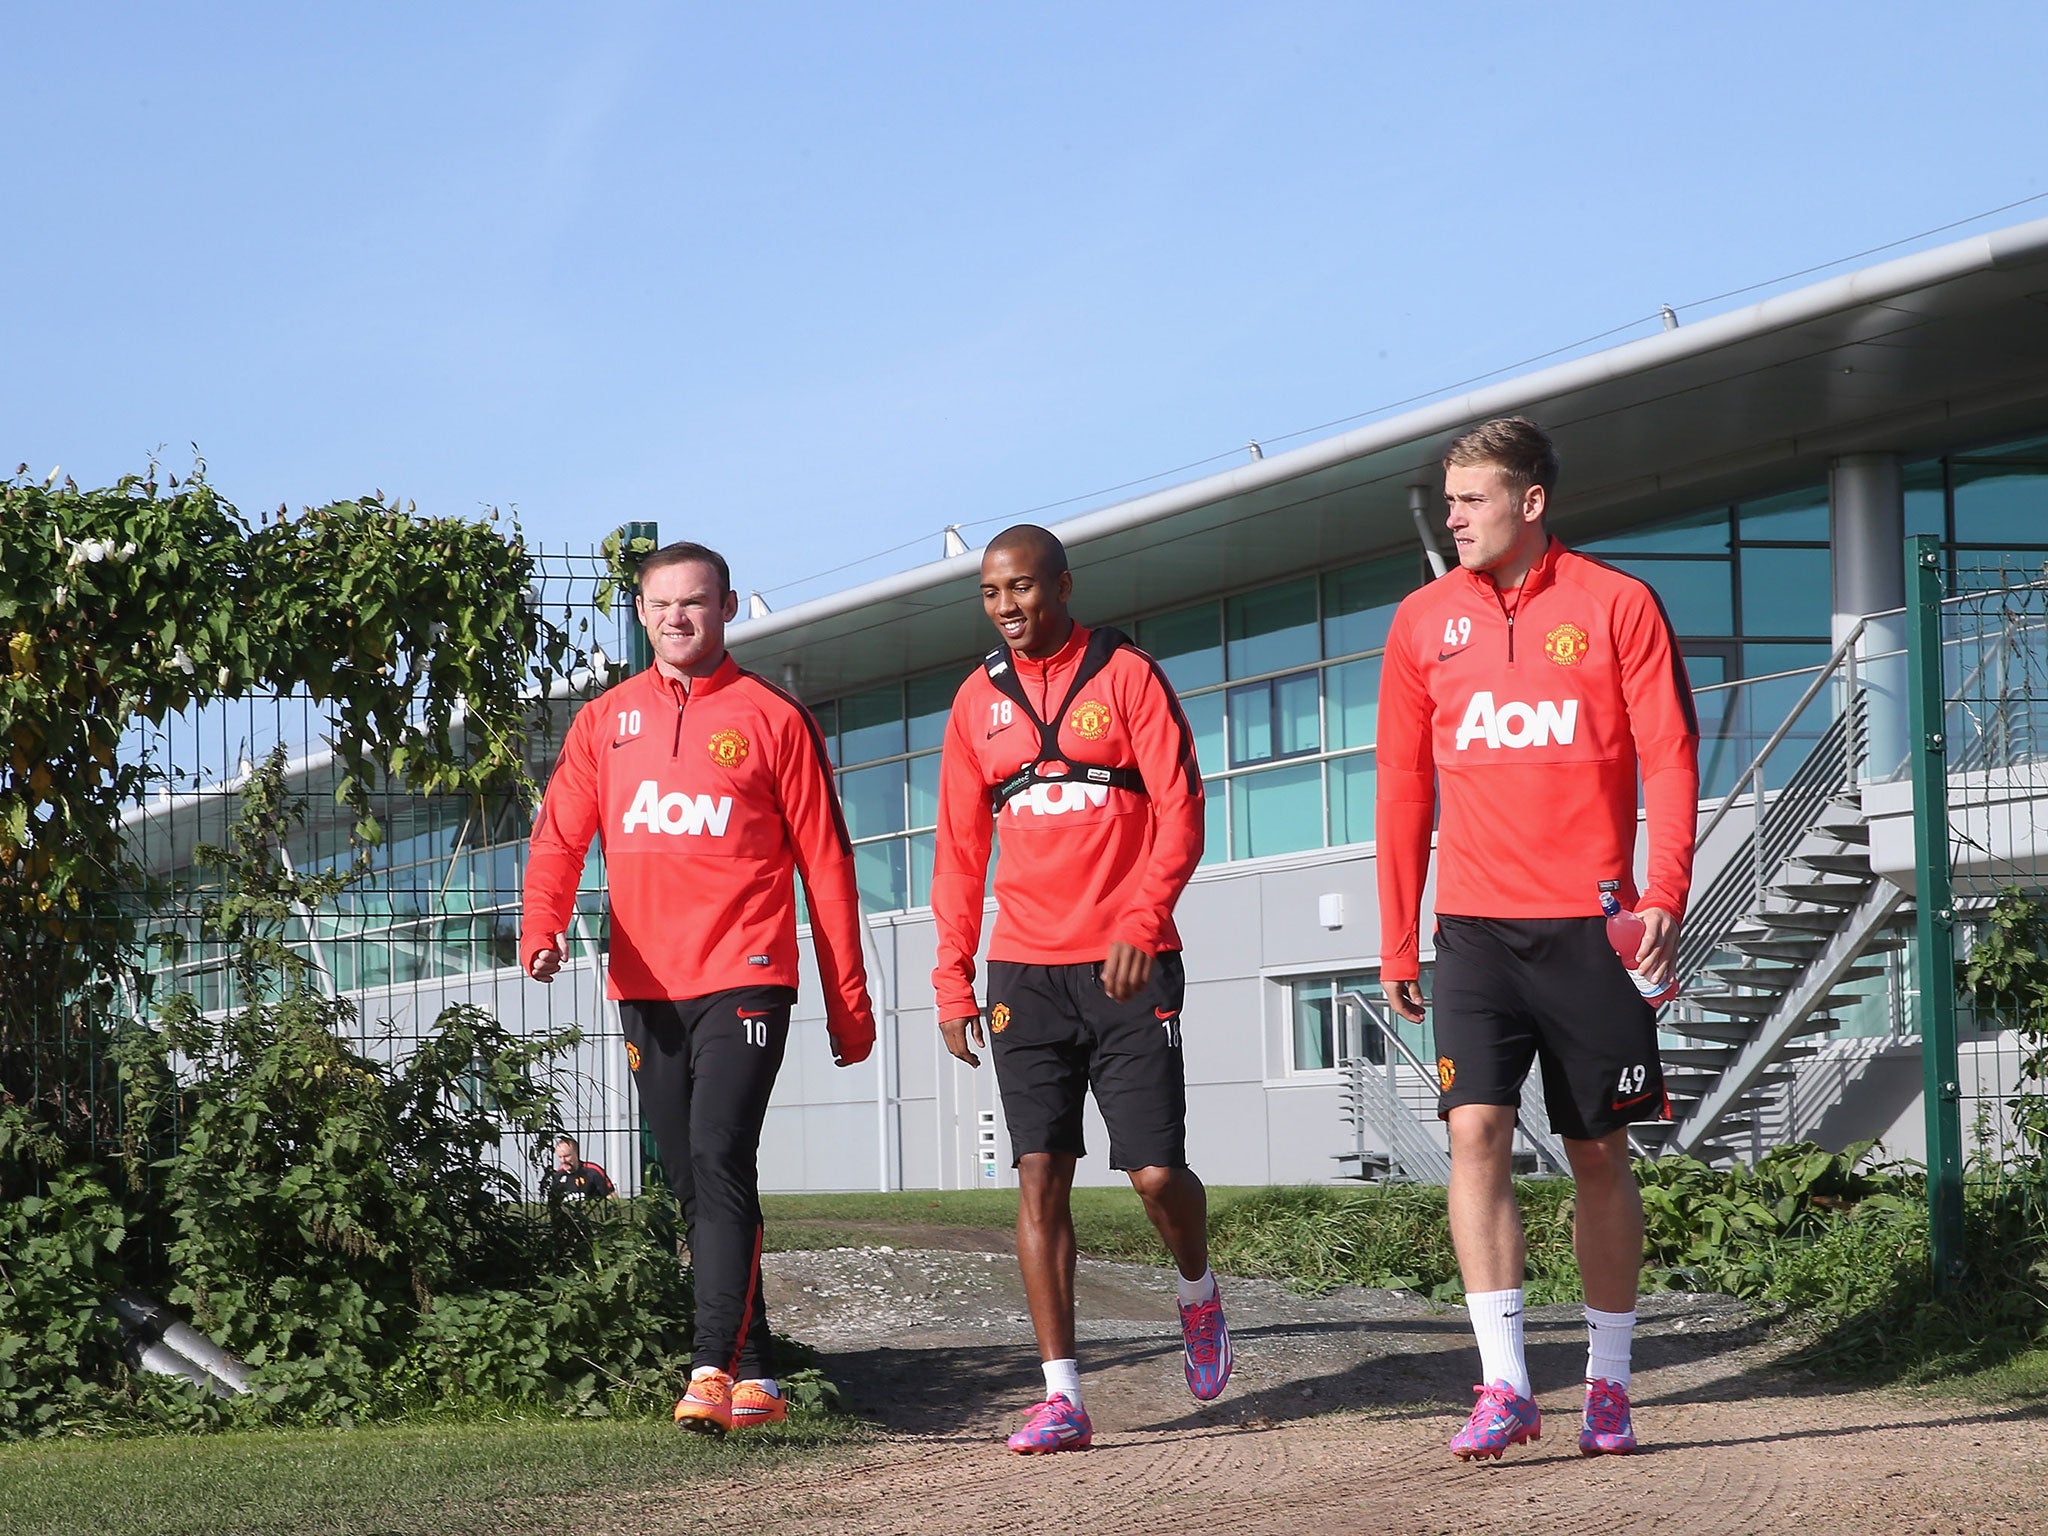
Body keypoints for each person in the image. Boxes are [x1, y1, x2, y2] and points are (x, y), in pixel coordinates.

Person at [1375, 417, 1699, 1460]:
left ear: (1530, 501)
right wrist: (1395, 938)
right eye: (1448, 497)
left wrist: (1662, 897)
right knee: (1472, 1132)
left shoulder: (1614, 605)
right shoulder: (1421, 622)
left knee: (1594, 1151)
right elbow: (1399, 792)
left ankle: (1606, 1383)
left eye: (1472, 498)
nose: (1453, 515)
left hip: (1587, 929)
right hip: (1470, 929)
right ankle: (1504, 1382)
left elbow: (1668, 753)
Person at [521, 539, 875, 1436]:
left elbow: (826, 866)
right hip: (647, 984)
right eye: (663, 603)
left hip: (748, 976)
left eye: (697, 601)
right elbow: (562, 835)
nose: (679, 617)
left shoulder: (772, 718)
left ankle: (710, 1369)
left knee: (718, 1154)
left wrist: (848, 1000)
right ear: (642, 614)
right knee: (694, 1178)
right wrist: (543, 924)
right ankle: (758, 1372)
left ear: (727, 608)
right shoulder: (605, 721)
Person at [932, 523, 1227, 1455]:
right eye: (991, 593)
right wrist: (951, 977)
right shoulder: (974, 701)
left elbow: (1181, 809)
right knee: (1038, 1178)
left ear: (1061, 585)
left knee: (1152, 1174)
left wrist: (1141, 923)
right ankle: (1062, 1395)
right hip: (1023, 970)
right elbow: (956, 853)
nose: (1008, 607)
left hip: (1127, 962)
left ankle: (1196, 1288)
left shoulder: (1129, 675)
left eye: (1021, 588)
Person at [541, 1134, 615, 1201]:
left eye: (567, 1156)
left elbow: (611, 1197)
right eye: (560, 1157)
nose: (563, 1160)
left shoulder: (593, 1171)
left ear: (576, 1154)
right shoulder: (558, 1176)